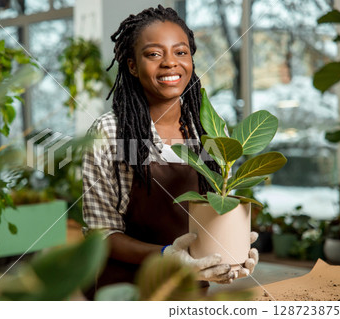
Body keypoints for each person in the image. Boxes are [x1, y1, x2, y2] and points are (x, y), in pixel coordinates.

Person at [82, 5, 258, 296]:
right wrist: (167, 255)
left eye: (181, 52)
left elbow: (216, 211)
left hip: (187, 291)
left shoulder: (211, 131)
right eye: (154, 54)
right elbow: (101, 235)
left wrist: (233, 251)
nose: (170, 63)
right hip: (125, 291)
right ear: (132, 66)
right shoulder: (109, 133)